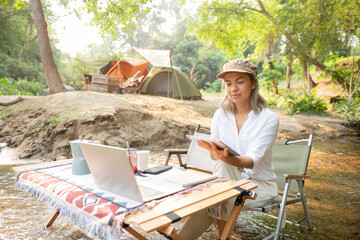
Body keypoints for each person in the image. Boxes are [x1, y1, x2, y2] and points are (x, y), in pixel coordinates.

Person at [178, 59, 279, 239]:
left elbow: (251, 161)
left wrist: (223, 159)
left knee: (214, 195)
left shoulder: (268, 119)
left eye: (240, 82)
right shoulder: (220, 115)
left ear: (253, 83)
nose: (233, 88)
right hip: (225, 182)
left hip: (259, 186)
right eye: (228, 83)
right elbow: (216, 157)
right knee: (219, 188)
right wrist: (214, 154)